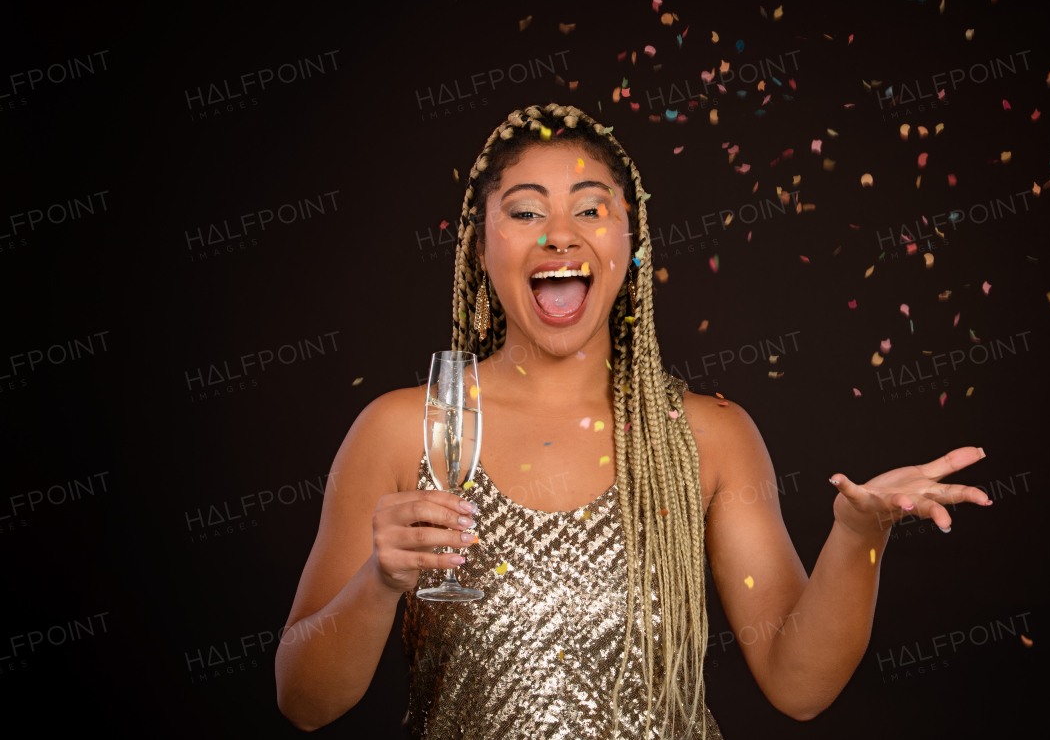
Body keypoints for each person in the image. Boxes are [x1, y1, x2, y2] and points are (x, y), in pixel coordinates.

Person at [275, 104, 992, 738]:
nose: (560, 235)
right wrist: (379, 579)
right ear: (480, 244)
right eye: (526, 212)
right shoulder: (407, 429)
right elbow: (304, 703)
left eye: (590, 209)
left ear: (632, 240)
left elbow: (798, 685)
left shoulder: (709, 436)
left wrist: (860, 533)